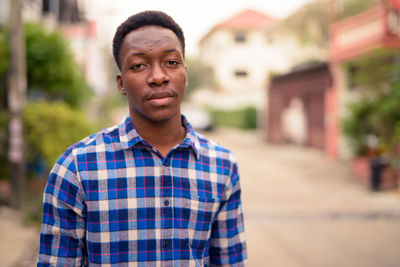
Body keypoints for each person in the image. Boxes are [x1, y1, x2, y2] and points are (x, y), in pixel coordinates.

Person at [37, 10, 247, 266]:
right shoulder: (76, 168)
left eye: (171, 62)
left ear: (185, 73)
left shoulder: (222, 165)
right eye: (138, 65)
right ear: (121, 83)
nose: (159, 76)